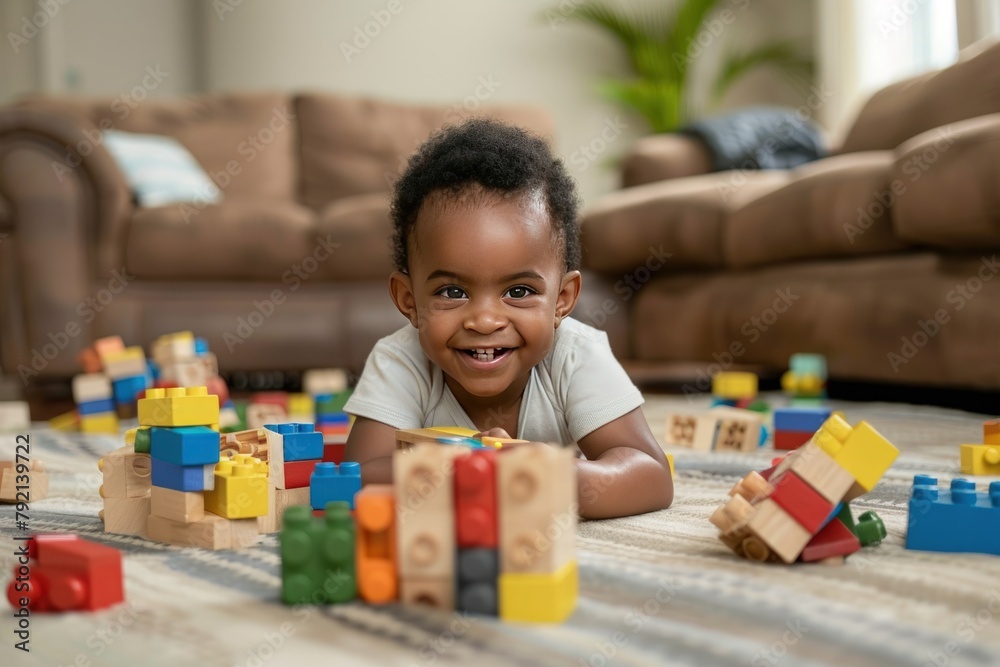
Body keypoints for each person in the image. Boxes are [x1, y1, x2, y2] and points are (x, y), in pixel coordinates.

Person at [343, 118, 673, 519]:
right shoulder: (400, 361)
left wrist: (558, 479)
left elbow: (652, 475)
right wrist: (462, 469)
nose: (484, 320)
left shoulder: (576, 353)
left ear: (562, 300)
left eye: (518, 292)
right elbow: (353, 477)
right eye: (453, 292)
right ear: (409, 300)